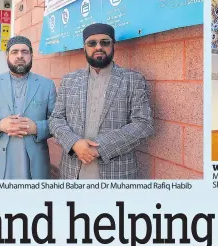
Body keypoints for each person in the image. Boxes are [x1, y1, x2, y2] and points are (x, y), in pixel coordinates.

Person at [49, 23, 153, 180]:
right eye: (92, 43)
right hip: (72, 172)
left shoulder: (133, 80)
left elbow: (143, 124)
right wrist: (74, 143)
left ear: (113, 46)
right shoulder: (69, 80)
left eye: (105, 42)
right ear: (84, 47)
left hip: (116, 173)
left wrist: (100, 148)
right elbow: (56, 119)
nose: (98, 47)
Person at [0, 36, 56, 180]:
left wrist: (37, 127)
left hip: (34, 164)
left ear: (31, 55)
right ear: (7, 55)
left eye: (24, 52)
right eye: (14, 52)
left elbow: (57, 122)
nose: (20, 56)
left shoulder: (46, 85)